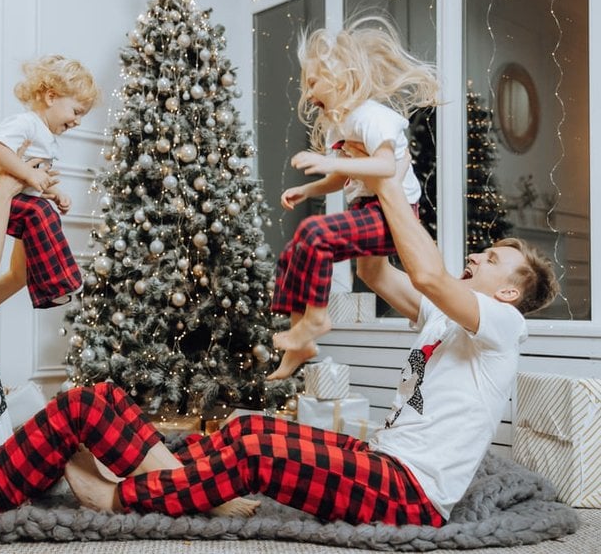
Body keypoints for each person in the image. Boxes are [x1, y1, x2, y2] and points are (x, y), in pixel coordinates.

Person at [64, 150, 559, 526]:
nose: (475, 258)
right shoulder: (445, 319)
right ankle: (173, 481)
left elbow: (430, 277)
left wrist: (389, 179)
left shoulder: (504, 324)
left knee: (257, 454)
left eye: (491, 260)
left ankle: (117, 499)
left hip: (413, 494)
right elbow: (374, 271)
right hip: (382, 461)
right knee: (243, 430)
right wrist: (367, 182)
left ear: (510, 291)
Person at [0, 157, 259, 520]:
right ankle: (204, 495)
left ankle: (179, 481)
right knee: (79, 405)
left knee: (105, 396)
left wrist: (24, 202)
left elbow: (17, 276)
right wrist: (1, 191)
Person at [267, 16, 440, 379]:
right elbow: (345, 175)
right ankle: (301, 339)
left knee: (316, 234)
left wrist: (323, 159)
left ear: (342, 76)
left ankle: (315, 320)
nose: (307, 93)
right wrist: (308, 189)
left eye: (312, 81)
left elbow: (383, 166)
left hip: (393, 215)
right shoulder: (341, 124)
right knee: (296, 247)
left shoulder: (371, 117)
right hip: (368, 208)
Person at [0, 54, 99, 309]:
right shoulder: (25, 123)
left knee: (44, 212)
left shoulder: (46, 138)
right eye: (76, 111)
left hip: (9, 197)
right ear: (51, 97)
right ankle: (58, 285)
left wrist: (54, 191)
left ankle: (54, 288)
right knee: (39, 211)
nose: (78, 121)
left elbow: (36, 174)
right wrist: (29, 176)